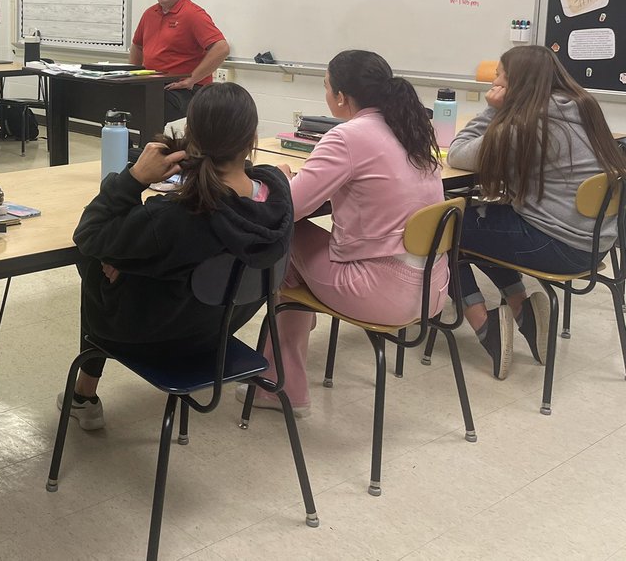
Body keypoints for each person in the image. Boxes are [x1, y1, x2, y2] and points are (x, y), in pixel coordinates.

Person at [61, 82, 293, 430]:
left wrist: (135, 177)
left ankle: (84, 395)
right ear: (252, 138)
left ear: (192, 139)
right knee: (143, 257)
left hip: (157, 339)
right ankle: (84, 392)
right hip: (219, 330)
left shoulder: (175, 216)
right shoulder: (277, 198)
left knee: (94, 259)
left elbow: (87, 233)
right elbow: (266, 178)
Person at [250, 50, 445, 417]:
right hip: (430, 287)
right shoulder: (413, 128)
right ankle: (279, 379)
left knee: (283, 239)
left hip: (381, 291)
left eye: (326, 86)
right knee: (292, 270)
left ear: (340, 97)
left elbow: (291, 206)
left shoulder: (348, 137)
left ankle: (281, 385)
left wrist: (281, 177)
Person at [447, 45, 626, 379]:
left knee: (446, 230)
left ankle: (486, 326)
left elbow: (458, 154)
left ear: (519, 83)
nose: (494, 80)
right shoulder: (581, 107)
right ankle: (522, 310)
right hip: (594, 245)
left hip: (555, 245)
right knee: (481, 223)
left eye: (500, 74)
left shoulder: (527, 126)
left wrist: (492, 112)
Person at [129, 0, 230, 122]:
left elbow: (221, 48)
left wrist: (192, 79)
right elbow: (137, 45)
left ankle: (158, 145)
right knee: (123, 102)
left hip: (183, 89)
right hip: (154, 83)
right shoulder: (149, 14)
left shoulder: (193, 14)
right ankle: (133, 147)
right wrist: (132, 75)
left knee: (153, 109)